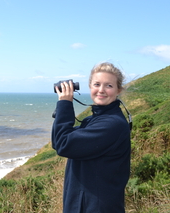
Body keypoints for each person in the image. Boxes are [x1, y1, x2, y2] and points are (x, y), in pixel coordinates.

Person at [52, 62, 131, 213]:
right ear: (90, 87)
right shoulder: (95, 120)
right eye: (97, 84)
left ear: (118, 90)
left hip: (95, 207)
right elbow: (59, 140)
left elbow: (63, 144)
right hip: (87, 205)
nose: (101, 90)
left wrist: (64, 104)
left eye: (109, 86)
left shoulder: (111, 124)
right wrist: (61, 108)